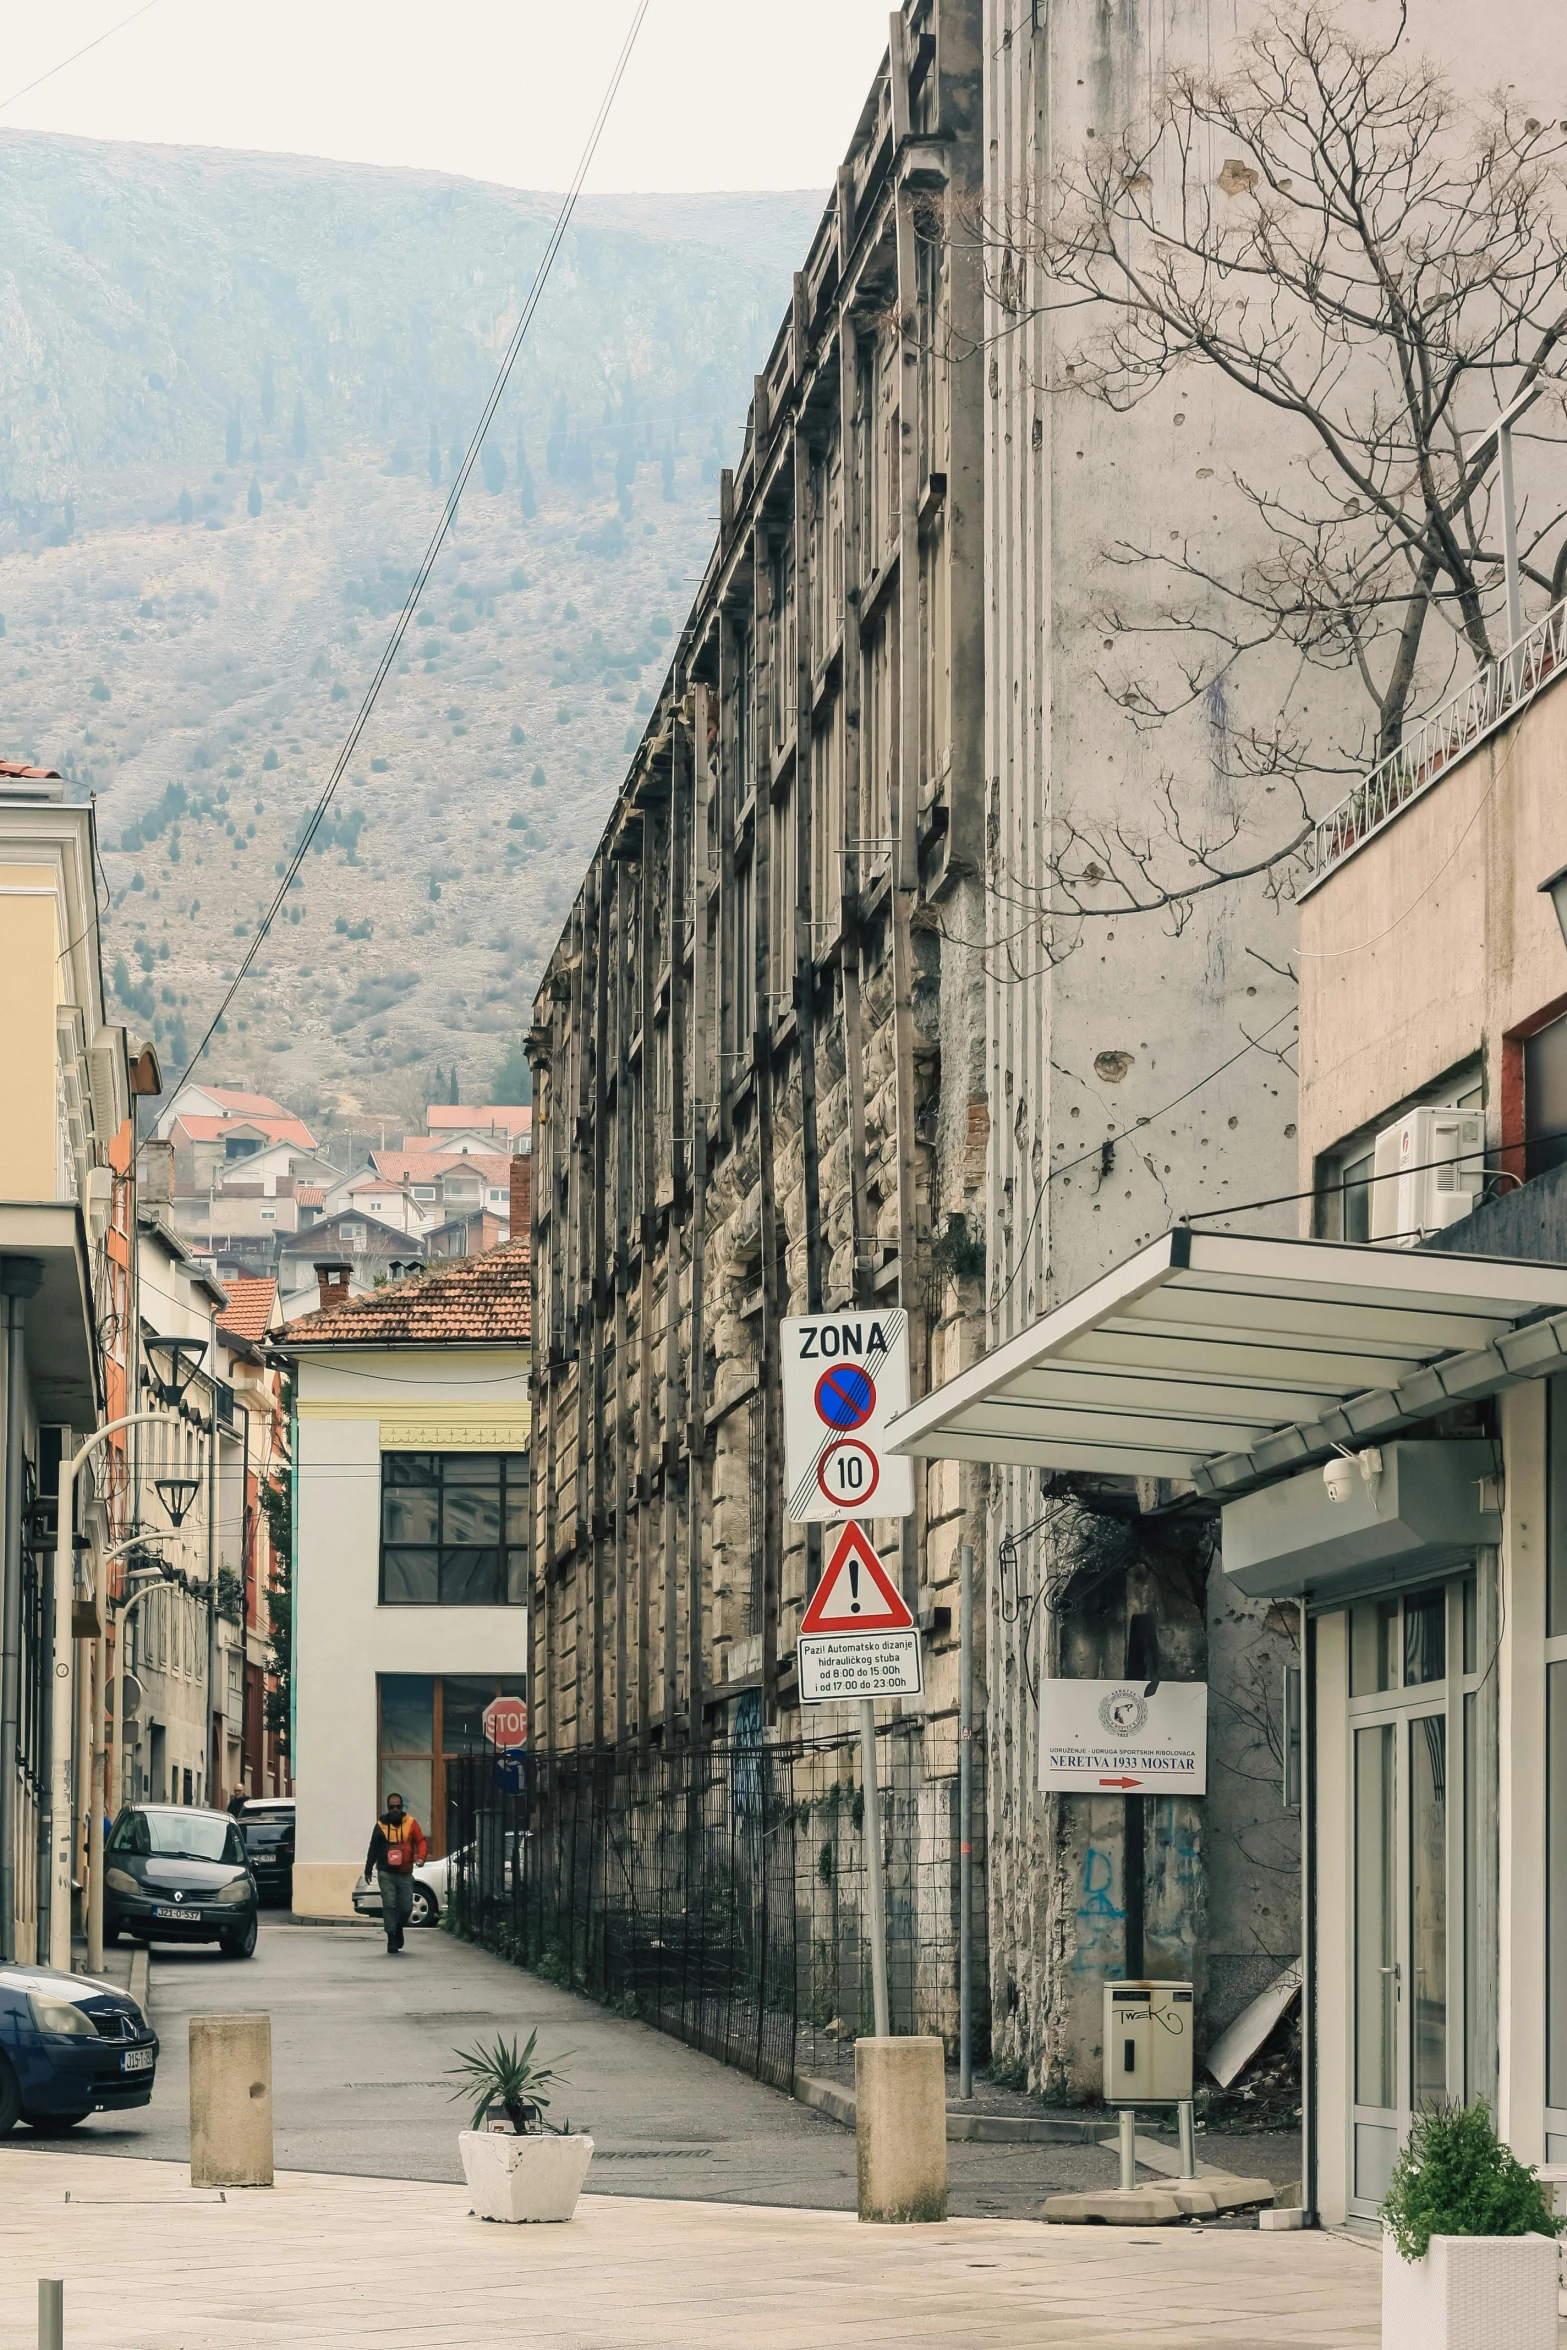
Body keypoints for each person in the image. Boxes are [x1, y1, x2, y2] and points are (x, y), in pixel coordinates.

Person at [365, 1791, 427, 1954]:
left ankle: (399, 1926)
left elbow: (421, 1841)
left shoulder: (411, 1823)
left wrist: (421, 1857)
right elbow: (373, 1848)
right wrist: (368, 1868)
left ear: (402, 1807)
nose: (395, 1810)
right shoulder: (381, 1826)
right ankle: (391, 1937)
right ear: (387, 1808)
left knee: (406, 1908)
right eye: (392, 1807)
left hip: (405, 1873)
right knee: (389, 1905)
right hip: (386, 1873)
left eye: (398, 1807)